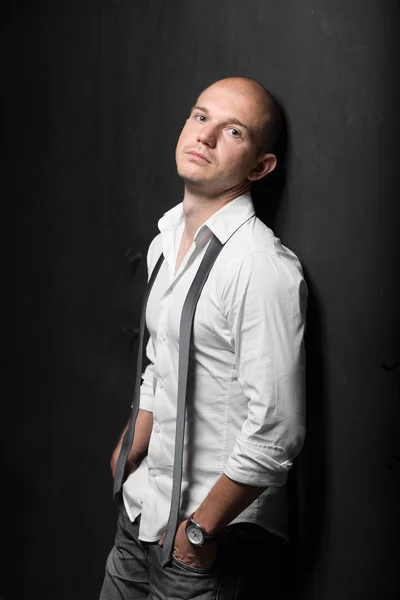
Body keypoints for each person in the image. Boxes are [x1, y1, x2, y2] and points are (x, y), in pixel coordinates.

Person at [99, 76, 307, 599]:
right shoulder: (165, 241)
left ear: (260, 168)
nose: (206, 137)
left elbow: (276, 432)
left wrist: (199, 532)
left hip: (205, 549)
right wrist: (132, 447)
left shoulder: (260, 267)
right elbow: (162, 356)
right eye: (200, 117)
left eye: (232, 131)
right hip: (139, 516)